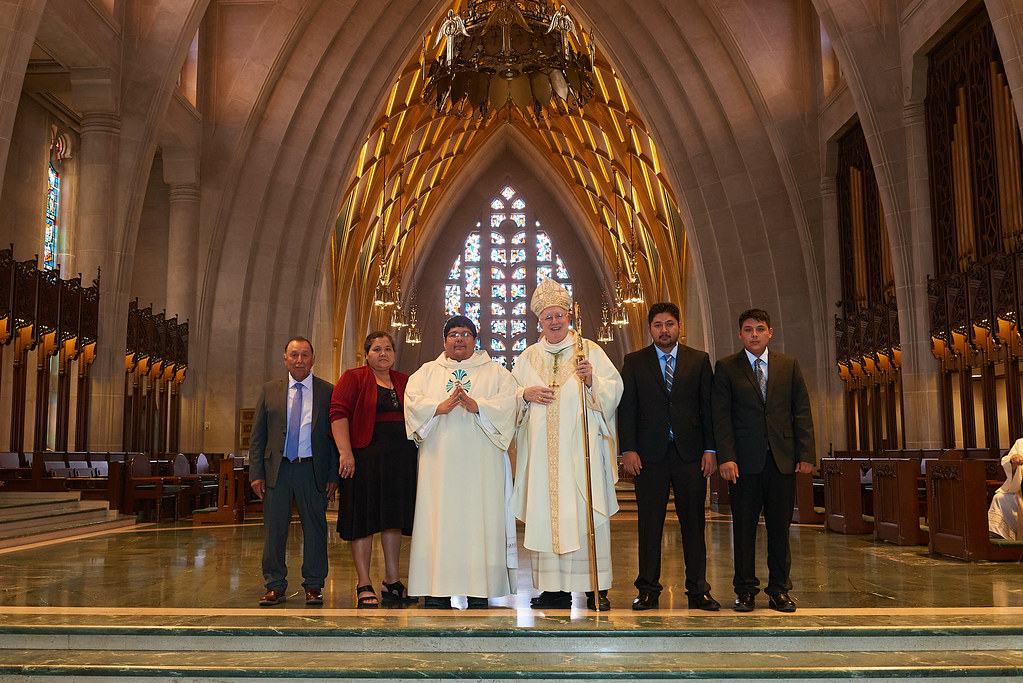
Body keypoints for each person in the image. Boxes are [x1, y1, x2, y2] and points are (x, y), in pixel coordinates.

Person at [511, 278, 623, 611]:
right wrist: (525, 395)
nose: (554, 321)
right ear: (539, 322)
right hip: (543, 459)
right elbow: (510, 398)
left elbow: (613, 392)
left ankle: (594, 586)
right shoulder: (528, 357)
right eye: (548, 317)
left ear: (569, 316)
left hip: (581, 453)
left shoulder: (590, 351)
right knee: (547, 516)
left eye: (559, 315)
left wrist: (593, 382)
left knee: (584, 512)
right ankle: (552, 589)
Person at [403, 315, 519, 608]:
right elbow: (413, 402)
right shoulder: (426, 374)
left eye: (465, 334)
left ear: (475, 339)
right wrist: (436, 409)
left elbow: (510, 406)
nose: (459, 339)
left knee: (480, 521)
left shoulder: (496, 374)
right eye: (453, 334)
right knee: (438, 522)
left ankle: (480, 589)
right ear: (444, 340)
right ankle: (436, 590)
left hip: (482, 469)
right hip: (439, 468)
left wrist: (479, 407)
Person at [712, 308, 815, 613]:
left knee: (779, 530)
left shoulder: (788, 366)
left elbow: (802, 412)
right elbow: (722, 417)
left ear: (770, 332)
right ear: (740, 334)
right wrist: (726, 457)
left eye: (759, 328)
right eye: (748, 329)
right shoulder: (727, 368)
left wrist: (805, 454)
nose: (754, 334)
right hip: (743, 463)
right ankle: (745, 591)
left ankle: (779, 589)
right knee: (743, 529)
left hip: (781, 461)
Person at [618, 302, 719, 611]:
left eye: (670, 324)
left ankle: (698, 589)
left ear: (679, 327)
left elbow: (709, 408)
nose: (664, 330)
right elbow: (627, 408)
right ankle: (648, 589)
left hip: (690, 455)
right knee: (649, 525)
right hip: (649, 456)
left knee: (694, 523)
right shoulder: (635, 362)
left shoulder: (699, 360)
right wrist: (628, 449)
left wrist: (711, 449)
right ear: (650, 329)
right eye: (658, 324)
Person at [330, 331, 418, 608]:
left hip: (399, 462)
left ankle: (392, 581)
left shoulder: (405, 381)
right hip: (364, 460)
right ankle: (364, 582)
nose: (383, 354)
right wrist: (345, 452)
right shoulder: (353, 378)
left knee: (392, 520)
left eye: (388, 349)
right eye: (377, 349)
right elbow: (338, 413)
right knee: (364, 521)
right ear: (366, 354)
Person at [249, 336, 340, 606]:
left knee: (315, 529)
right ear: (285, 359)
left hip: (312, 469)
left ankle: (314, 585)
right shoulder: (269, 390)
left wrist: (333, 475)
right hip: (277, 470)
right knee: (274, 530)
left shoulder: (327, 391)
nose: (299, 360)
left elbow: (335, 437)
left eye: (304, 355)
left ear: (313, 359)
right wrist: (256, 472)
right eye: (294, 355)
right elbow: (258, 436)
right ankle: (274, 584)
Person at [988, 439, 1023, 540]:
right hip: (1020, 487)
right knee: (1000, 498)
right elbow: (1009, 463)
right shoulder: (1020, 443)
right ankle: (997, 533)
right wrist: (1014, 461)